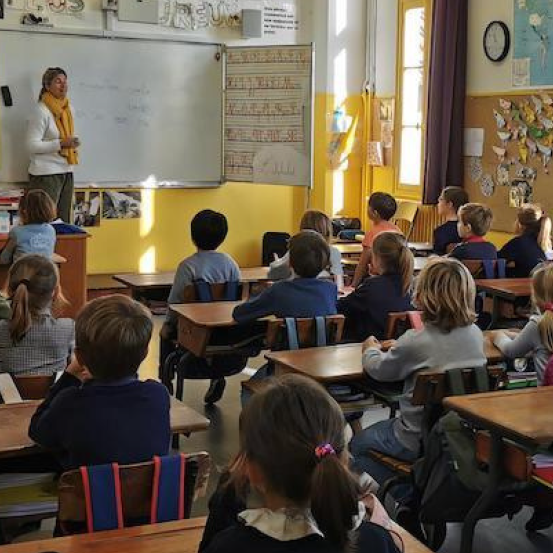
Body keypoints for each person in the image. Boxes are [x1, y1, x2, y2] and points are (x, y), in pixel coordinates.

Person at [199, 374, 400, 553]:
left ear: (251, 471)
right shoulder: (377, 541)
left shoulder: (230, 546)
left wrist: (225, 497)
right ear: (343, 459)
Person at [350, 258, 486, 486]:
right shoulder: (475, 334)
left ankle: (403, 493)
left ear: (423, 293)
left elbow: (379, 370)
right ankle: (416, 491)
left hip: (413, 438)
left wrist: (370, 350)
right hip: (460, 433)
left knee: (358, 444)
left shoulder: (415, 341)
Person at [28, 295, 170, 470]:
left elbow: (37, 432)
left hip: (91, 497)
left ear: (79, 357)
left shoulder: (70, 402)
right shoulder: (157, 394)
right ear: (145, 353)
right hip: (149, 496)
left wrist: (69, 376)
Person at [159, 209, 240, 404]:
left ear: (193, 236)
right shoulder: (231, 264)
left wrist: (168, 324)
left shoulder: (188, 267)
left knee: (164, 333)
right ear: (223, 236)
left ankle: (166, 379)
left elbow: (175, 303)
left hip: (194, 333)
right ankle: (217, 376)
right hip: (224, 331)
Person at [233, 231, 337, 323]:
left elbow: (239, 314)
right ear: (325, 264)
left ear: (289, 262)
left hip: (285, 344)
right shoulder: (331, 289)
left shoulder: (278, 290)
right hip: (322, 345)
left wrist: (261, 294)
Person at [0, 255, 73, 376]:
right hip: (53, 394)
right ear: (54, 292)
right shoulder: (68, 328)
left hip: (7, 394)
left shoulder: (2, 329)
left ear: (9, 290)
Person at [337, 232, 414, 342]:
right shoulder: (412, 285)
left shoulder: (371, 287)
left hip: (369, 346)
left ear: (377, 259)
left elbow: (341, 308)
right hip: (400, 346)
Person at [27, 67, 80, 223]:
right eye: (58, 81)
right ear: (47, 85)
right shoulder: (40, 110)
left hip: (67, 170)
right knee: (44, 222)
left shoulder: (68, 108)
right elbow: (31, 145)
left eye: (65, 81)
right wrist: (61, 144)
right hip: (45, 174)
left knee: (64, 222)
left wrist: (72, 143)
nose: (63, 86)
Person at [492, 264, 553, 385]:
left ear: (536, 297)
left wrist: (498, 336)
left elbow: (511, 351)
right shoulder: (543, 324)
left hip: (545, 400)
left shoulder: (538, 324)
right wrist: (515, 335)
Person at [268, 210, 344, 289]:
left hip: (297, 295)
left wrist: (276, 263)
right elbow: (339, 285)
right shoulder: (334, 252)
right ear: (327, 231)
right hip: (323, 297)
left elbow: (274, 275)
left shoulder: (296, 250)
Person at [352, 193, 402, 287]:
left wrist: (354, 285)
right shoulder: (398, 230)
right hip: (397, 278)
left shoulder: (372, 233)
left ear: (375, 213)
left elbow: (363, 263)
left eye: (368, 207)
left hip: (376, 278)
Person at [0, 189, 57, 265]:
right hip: (46, 273)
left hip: (22, 274)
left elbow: (4, 259)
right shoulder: (51, 230)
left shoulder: (17, 232)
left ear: (24, 211)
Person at [498, 204, 552, 278]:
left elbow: (496, 260)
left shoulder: (518, 243)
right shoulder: (546, 243)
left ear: (520, 225)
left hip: (521, 286)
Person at [433, 186, 468, 255]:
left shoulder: (440, 231)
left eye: (441, 199)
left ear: (449, 204)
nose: (438, 202)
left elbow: (437, 259)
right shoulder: (469, 229)